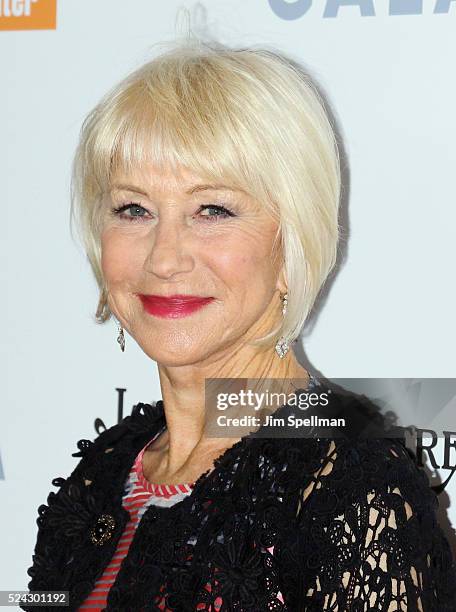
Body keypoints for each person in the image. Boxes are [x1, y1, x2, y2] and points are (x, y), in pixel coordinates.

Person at [23, 38, 456, 612]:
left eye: (213, 210)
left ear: (292, 245)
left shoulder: (348, 483)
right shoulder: (106, 469)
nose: (164, 257)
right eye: (134, 210)